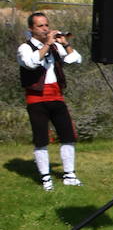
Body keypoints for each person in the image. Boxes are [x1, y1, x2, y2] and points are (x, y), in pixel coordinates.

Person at [18, 12, 83, 190]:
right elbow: (31, 63)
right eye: (40, 26)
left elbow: (75, 60)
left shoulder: (55, 46)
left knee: (68, 136)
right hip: (36, 98)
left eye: (47, 25)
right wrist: (47, 44)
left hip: (56, 96)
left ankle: (69, 175)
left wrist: (65, 43)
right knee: (41, 139)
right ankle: (46, 178)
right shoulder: (25, 48)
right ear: (31, 29)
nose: (45, 29)